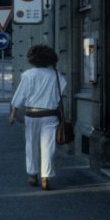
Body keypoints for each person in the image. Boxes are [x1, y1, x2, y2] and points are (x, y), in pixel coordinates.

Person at [8, 44, 67, 191]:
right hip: (50, 115)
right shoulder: (57, 75)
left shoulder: (28, 75)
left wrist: (13, 112)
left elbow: (20, 94)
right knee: (48, 147)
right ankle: (45, 177)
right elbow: (61, 95)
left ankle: (32, 175)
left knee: (31, 145)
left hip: (32, 114)